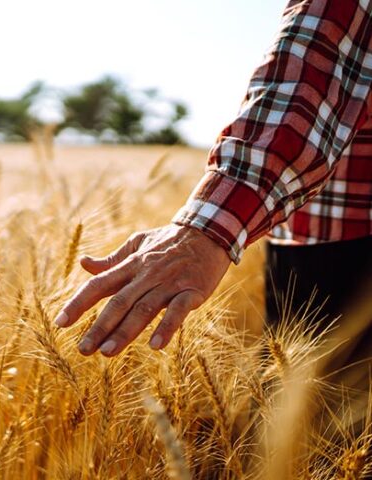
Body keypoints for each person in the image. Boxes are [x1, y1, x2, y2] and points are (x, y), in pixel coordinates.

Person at [55, 0, 372, 360]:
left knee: (325, 410)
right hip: (335, 230)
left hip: (340, 240)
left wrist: (204, 232)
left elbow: (317, 69)